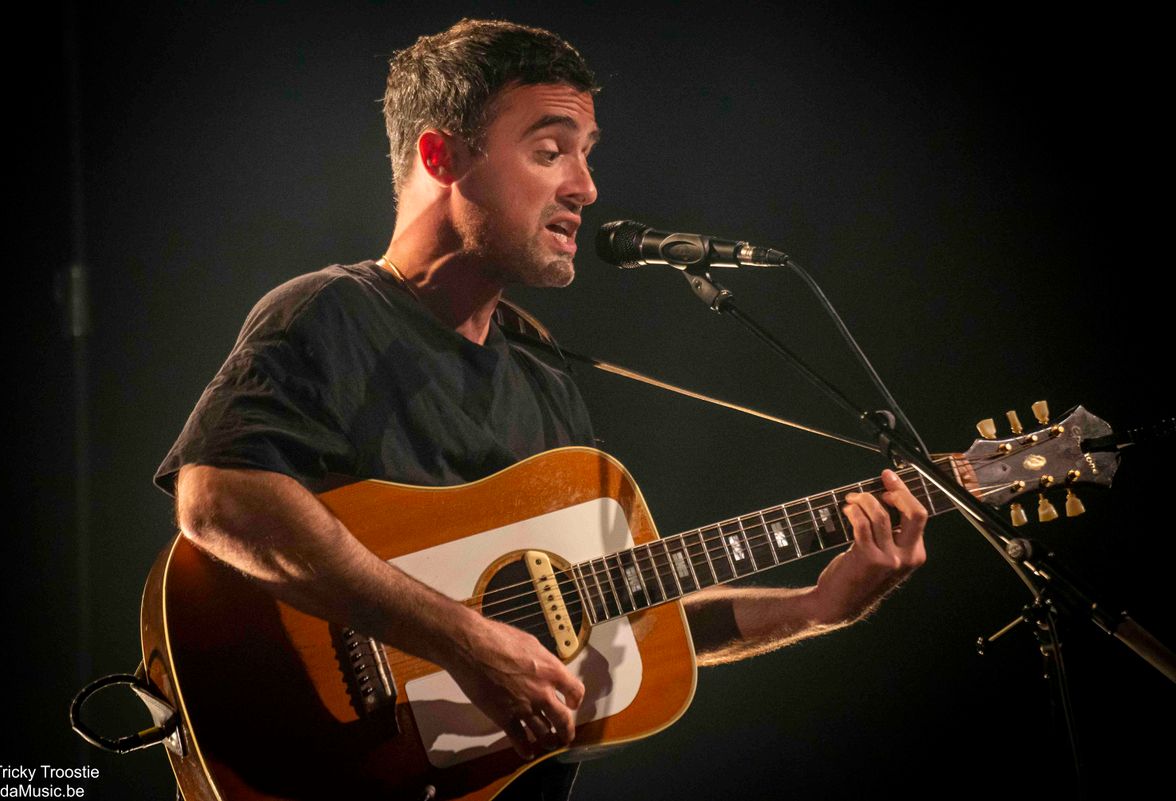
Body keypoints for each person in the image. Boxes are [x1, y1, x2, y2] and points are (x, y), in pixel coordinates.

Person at [155, 18, 927, 800]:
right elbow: (219, 499)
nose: (585, 188)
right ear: (441, 155)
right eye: (550, 150)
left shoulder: (541, 370)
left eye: (587, 154)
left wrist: (817, 605)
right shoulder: (331, 314)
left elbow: (626, 616)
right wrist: (461, 638)